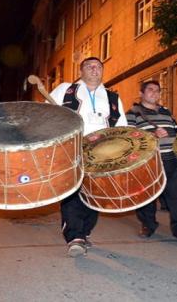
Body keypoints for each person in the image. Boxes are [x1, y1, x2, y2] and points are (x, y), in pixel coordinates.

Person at [49, 57, 128, 257]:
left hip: (102, 153)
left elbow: (122, 127)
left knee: (95, 194)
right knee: (73, 192)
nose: (94, 69)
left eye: (98, 67)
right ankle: (74, 236)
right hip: (72, 149)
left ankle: (84, 232)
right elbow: (46, 115)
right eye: (89, 66)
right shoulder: (66, 90)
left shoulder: (112, 97)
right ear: (81, 71)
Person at [126, 80, 177, 241]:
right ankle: (148, 225)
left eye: (157, 90)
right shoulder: (132, 113)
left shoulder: (166, 112)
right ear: (141, 93)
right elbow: (129, 139)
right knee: (147, 196)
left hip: (171, 159)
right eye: (150, 90)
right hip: (149, 162)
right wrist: (152, 136)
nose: (154, 93)